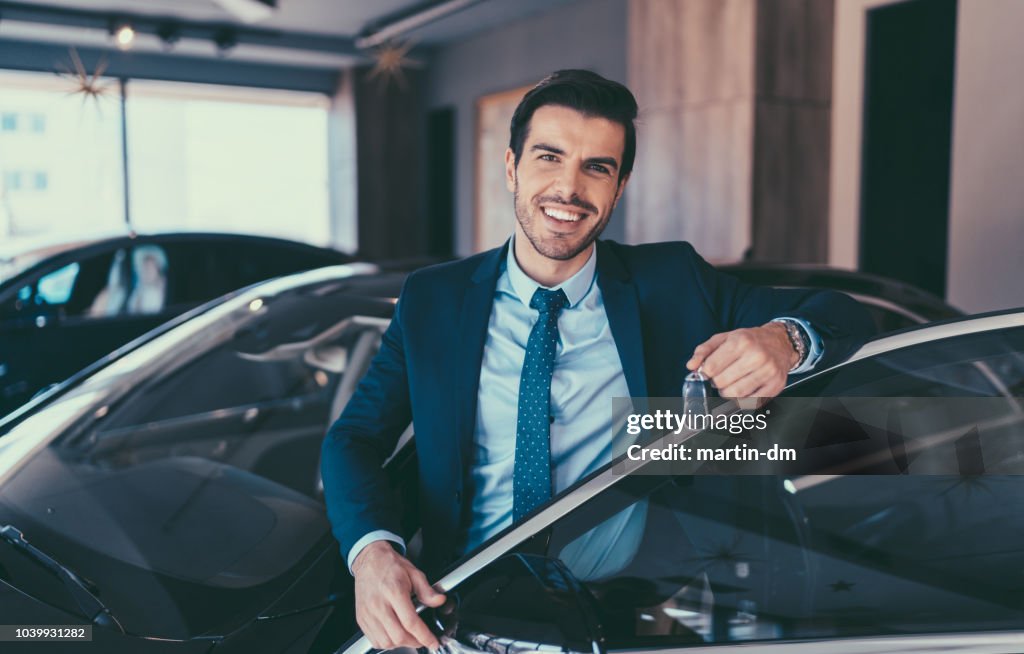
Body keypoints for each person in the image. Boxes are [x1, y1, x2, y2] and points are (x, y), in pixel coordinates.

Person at [321, 69, 874, 651]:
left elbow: (844, 314)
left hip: (627, 615)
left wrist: (784, 339)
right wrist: (372, 553)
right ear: (511, 166)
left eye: (597, 167)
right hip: (458, 614)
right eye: (549, 157)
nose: (569, 188)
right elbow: (355, 436)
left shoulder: (672, 282)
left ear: (620, 185)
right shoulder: (434, 299)